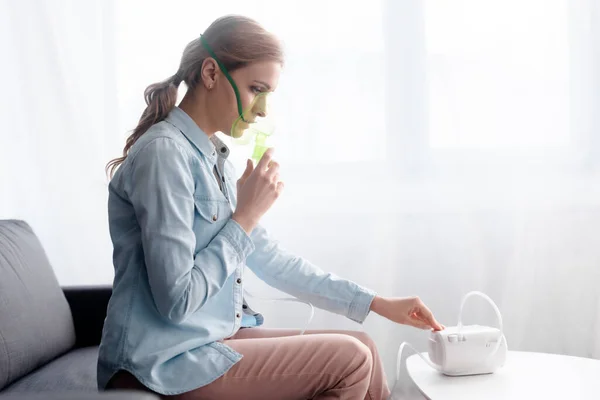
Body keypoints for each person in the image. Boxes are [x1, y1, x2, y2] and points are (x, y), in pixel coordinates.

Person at [99, 14, 444, 400]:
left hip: (200, 343)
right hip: (160, 362)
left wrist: (377, 303)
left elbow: (273, 261)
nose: (262, 110)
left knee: (363, 343)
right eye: (255, 89)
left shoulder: (215, 161)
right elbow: (176, 301)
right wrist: (245, 217)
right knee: (350, 359)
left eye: (268, 95)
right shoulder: (165, 155)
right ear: (212, 73)